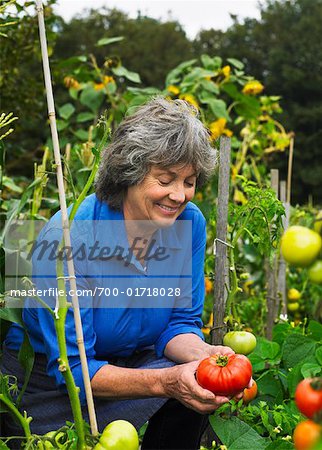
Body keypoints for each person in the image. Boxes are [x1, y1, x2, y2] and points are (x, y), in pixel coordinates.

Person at [2, 97, 245, 450]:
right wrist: (166, 381)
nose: (179, 195)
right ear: (129, 174)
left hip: (127, 362)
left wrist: (206, 356)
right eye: (166, 179)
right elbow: (72, 368)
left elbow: (180, 321)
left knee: (195, 387)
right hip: (48, 383)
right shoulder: (69, 239)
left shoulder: (189, 224)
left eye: (190, 181)